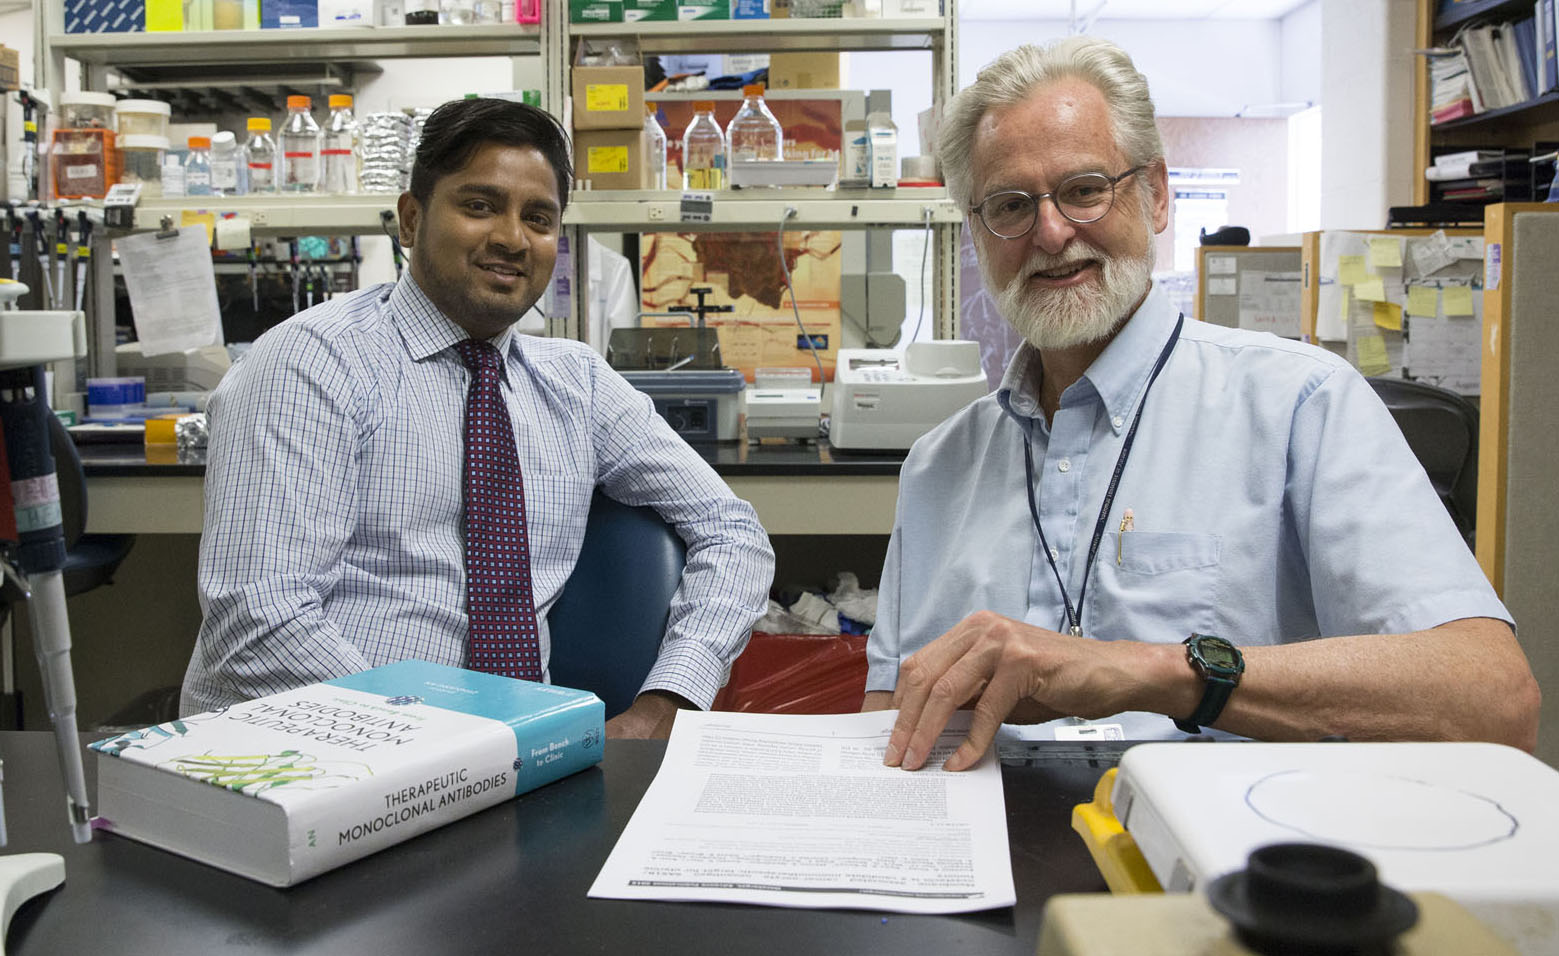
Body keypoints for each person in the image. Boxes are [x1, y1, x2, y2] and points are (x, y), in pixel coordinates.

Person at [863, 37, 1539, 771]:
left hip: (1223, 865)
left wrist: (1156, 672)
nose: (1051, 232)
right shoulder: (939, 467)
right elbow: (888, 717)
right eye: (1009, 205)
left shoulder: (1298, 406)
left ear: (1155, 194)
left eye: (1084, 189)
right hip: (986, 865)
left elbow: (1493, 700)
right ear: (976, 230)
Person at [183, 98, 775, 737]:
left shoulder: (577, 384)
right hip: (306, 750)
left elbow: (731, 527)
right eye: (479, 206)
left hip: (511, 759)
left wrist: (669, 702)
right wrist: (444, 751)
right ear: (410, 219)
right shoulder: (313, 363)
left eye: (539, 218)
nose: (512, 239)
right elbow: (259, 620)